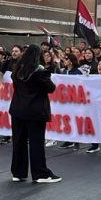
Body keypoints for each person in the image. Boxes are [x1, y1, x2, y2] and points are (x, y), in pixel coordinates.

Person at [8, 44, 60, 184]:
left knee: (19, 142)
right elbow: (51, 88)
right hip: (34, 112)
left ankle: (18, 172)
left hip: (17, 110)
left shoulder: (17, 71)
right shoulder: (39, 72)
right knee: (36, 143)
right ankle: (40, 173)